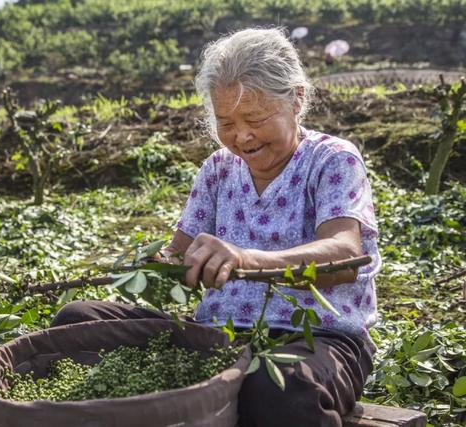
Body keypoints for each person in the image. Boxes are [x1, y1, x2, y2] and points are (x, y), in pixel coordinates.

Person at [52, 27, 380, 427]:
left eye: (255, 118)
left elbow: (345, 255)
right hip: (215, 335)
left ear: (297, 99)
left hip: (317, 338)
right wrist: (151, 263)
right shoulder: (218, 170)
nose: (241, 136)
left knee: (280, 389)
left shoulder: (331, 160)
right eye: (226, 123)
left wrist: (246, 258)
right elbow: (177, 251)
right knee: (78, 321)